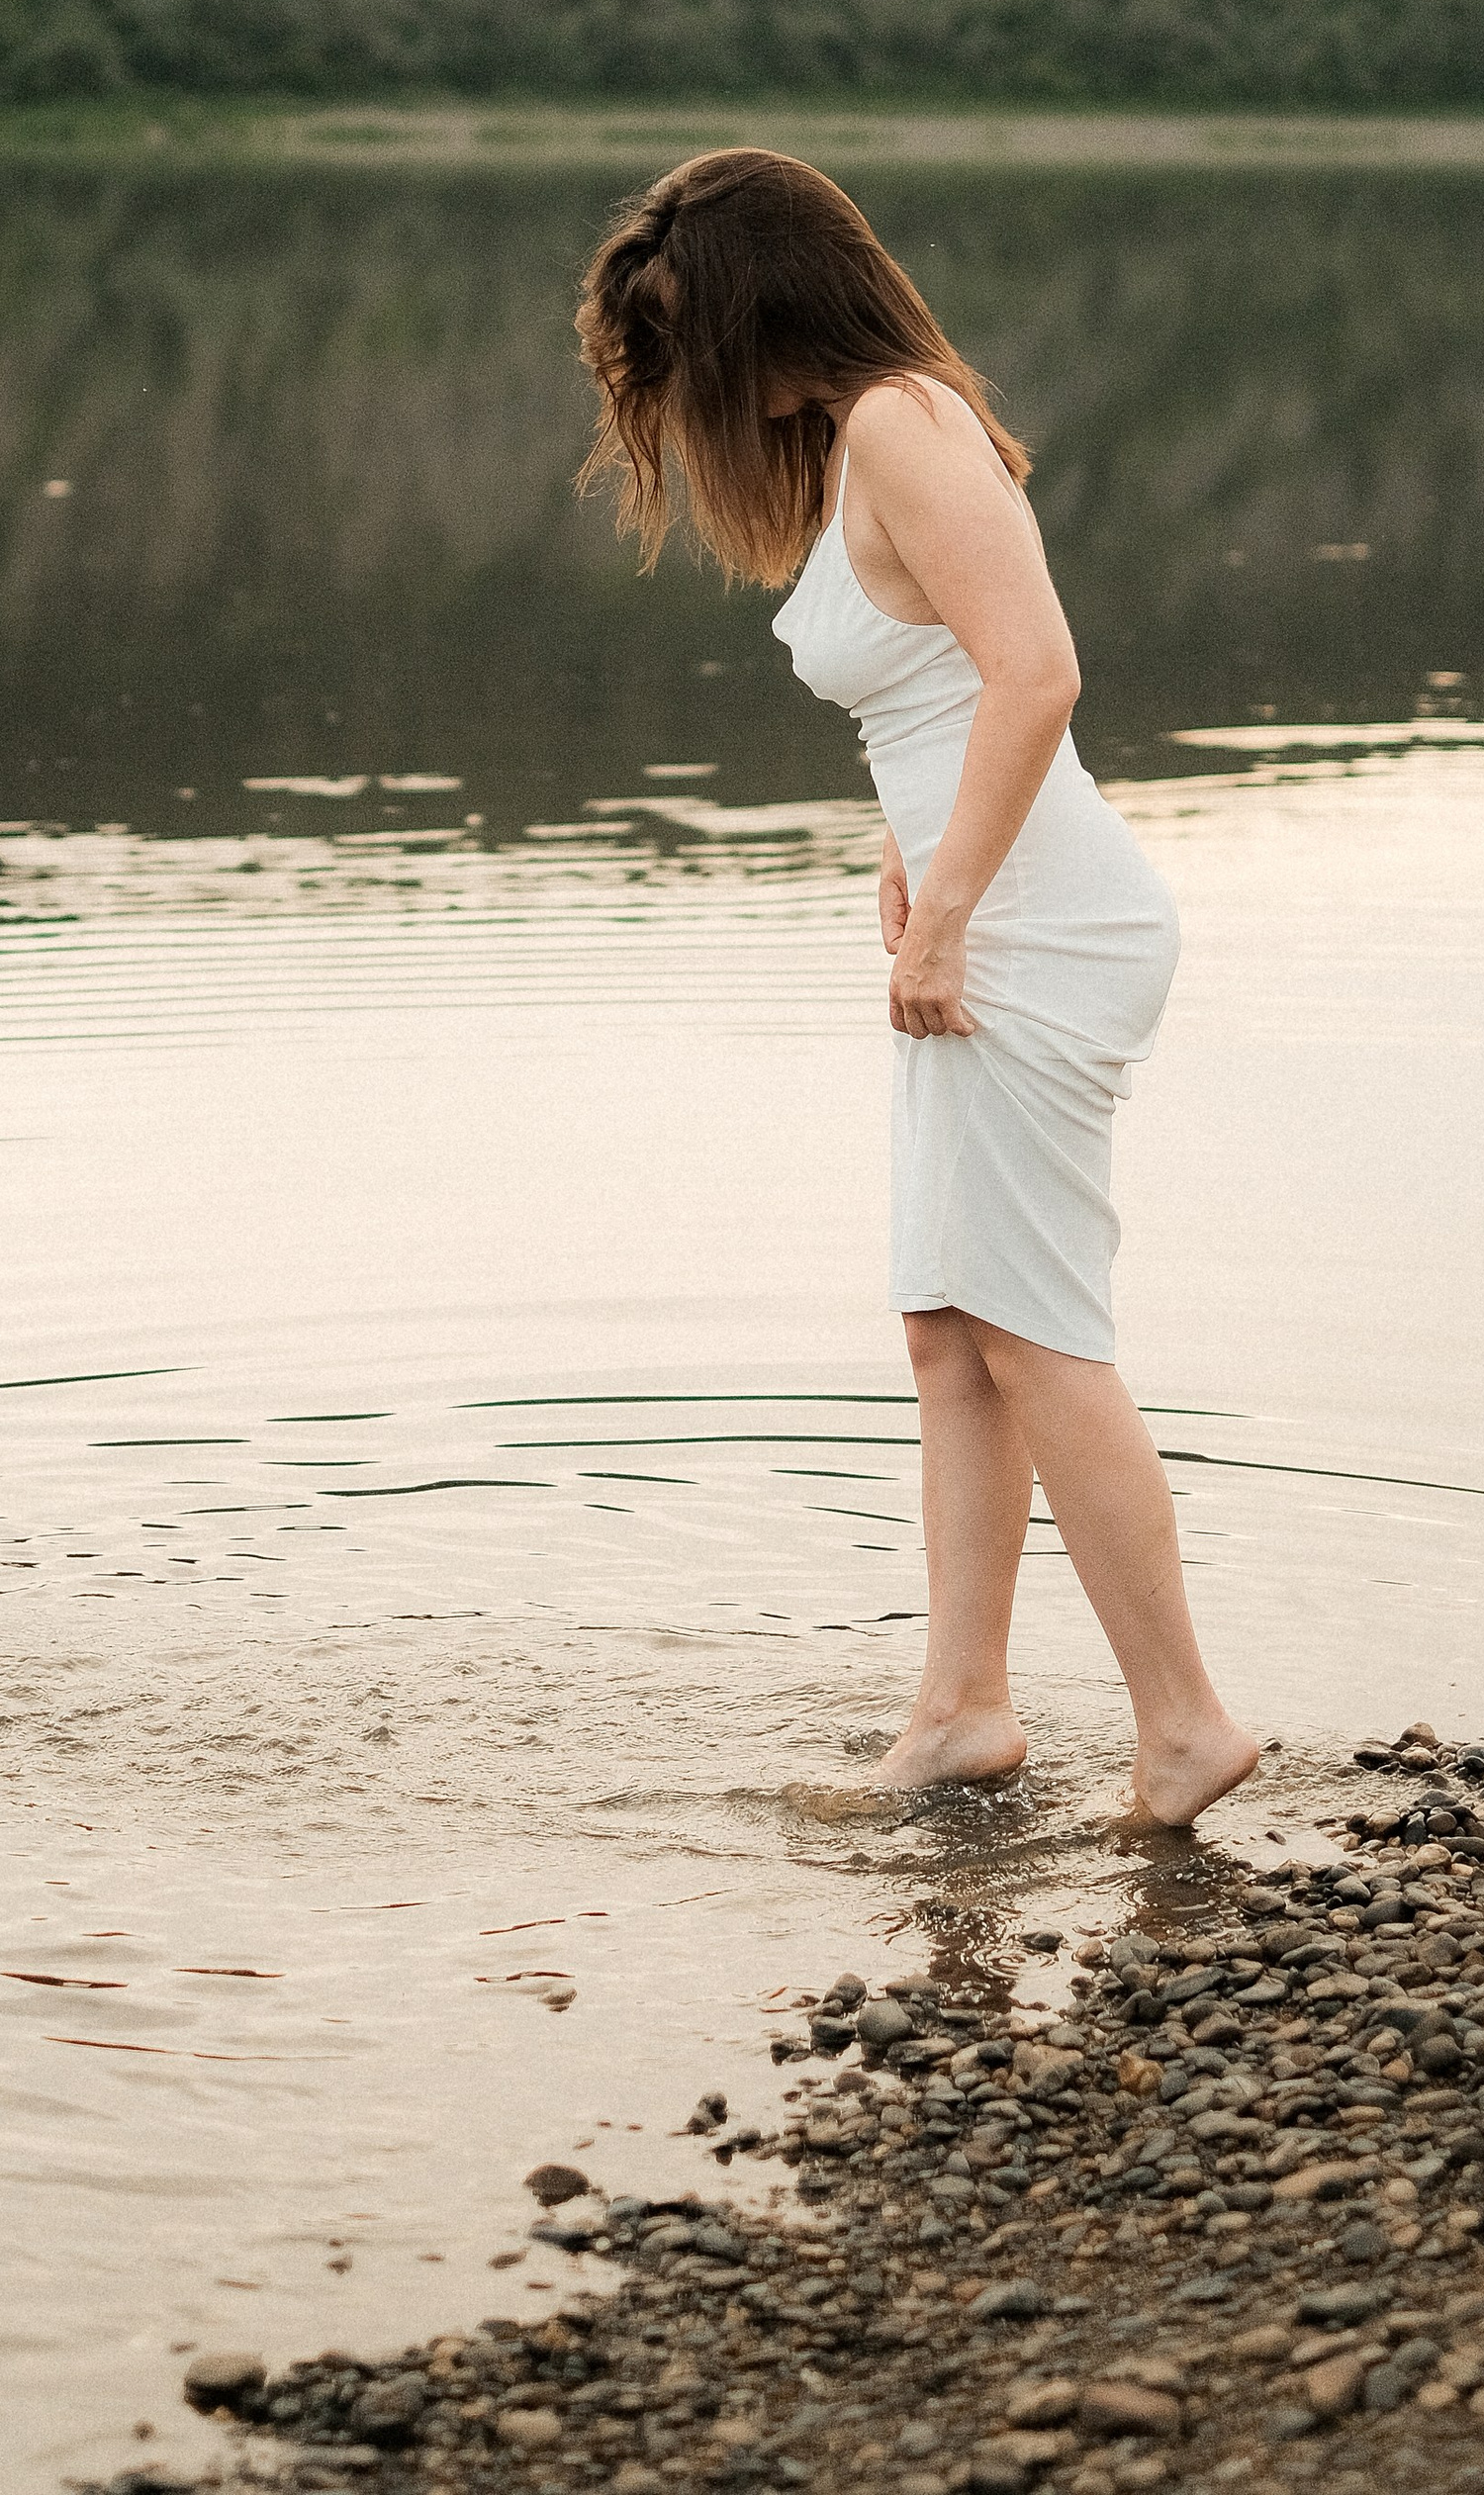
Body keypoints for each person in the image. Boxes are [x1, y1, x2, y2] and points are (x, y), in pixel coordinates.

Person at [576, 147, 1257, 1827]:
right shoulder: (866, 438)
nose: (684, 385)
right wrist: (915, 852)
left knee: (1034, 1331)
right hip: (984, 895)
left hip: (1035, 923)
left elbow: (1040, 673)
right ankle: (961, 1711)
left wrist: (947, 903)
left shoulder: (901, 420)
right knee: (953, 1328)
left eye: (687, 338)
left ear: (765, 304)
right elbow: (948, 693)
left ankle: (1184, 1726)